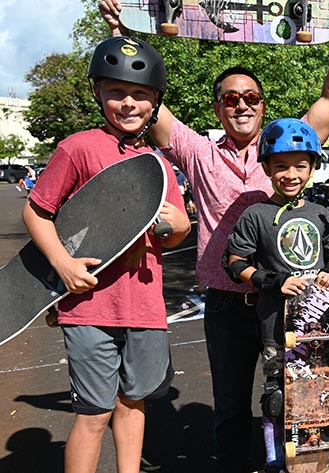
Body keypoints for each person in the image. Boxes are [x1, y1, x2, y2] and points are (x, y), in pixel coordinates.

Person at [98, 2, 329, 472]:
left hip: (290, 299)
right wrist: (125, 32)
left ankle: (314, 460)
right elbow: (150, 102)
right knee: (231, 404)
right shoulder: (198, 152)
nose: (242, 104)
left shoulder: (286, 148)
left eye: (251, 98)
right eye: (231, 98)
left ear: (262, 105)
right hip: (225, 300)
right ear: (218, 107)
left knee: (302, 392)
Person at [21, 36, 191, 473]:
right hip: (90, 306)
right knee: (94, 412)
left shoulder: (158, 162)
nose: (128, 103)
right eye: (116, 92)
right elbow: (37, 212)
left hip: (146, 306)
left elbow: (176, 232)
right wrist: (62, 263)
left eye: (140, 94)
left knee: (134, 402)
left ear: (155, 101)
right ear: (98, 92)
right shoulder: (77, 148)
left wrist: (177, 226)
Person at [224, 118, 329, 472]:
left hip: (321, 321)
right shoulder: (256, 215)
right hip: (277, 323)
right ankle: (276, 454)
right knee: (279, 393)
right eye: (280, 166)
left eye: (300, 166)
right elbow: (235, 263)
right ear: (266, 167)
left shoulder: (323, 214)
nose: (290, 174)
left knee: (326, 384)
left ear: (312, 168)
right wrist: (273, 282)